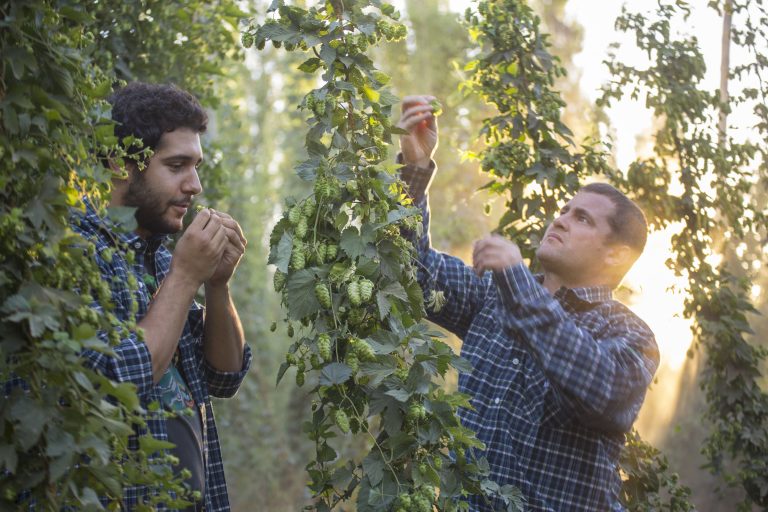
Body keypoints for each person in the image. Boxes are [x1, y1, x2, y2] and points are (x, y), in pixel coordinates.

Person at [396, 95, 660, 511]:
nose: (560, 220)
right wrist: (415, 167)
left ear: (616, 255)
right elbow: (409, 272)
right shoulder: (492, 296)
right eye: (566, 210)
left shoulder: (629, 334)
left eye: (583, 219)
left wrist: (519, 284)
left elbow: (602, 391)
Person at [72, 82, 251, 511]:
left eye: (196, 166)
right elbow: (120, 376)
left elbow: (224, 377)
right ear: (121, 166)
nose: (196, 185)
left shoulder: (158, 257)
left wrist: (217, 285)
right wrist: (186, 275)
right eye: (177, 165)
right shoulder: (77, 250)